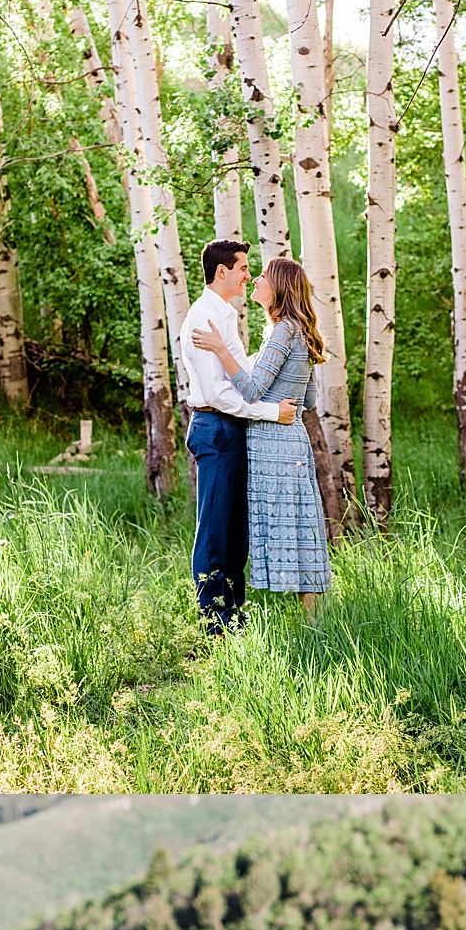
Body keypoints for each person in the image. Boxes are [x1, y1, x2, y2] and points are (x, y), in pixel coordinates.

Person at [192, 257, 332, 615]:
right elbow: (310, 399)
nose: (255, 279)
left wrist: (222, 349)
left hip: (273, 443)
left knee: (285, 525)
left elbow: (253, 390)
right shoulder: (299, 329)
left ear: (280, 287)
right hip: (294, 438)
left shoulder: (282, 330)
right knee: (301, 525)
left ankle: (305, 622)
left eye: (264, 276)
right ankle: (315, 619)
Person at [179, 240, 298, 634]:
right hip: (214, 427)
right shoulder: (203, 319)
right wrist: (270, 412)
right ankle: (213, 623)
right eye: (244, 267)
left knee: (234, 533)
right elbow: (218, 393)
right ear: (222, 271)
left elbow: (240, 374)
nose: (249, 275)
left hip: (232, 427)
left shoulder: (224, 316)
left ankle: (233, 616)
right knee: (215, 531)